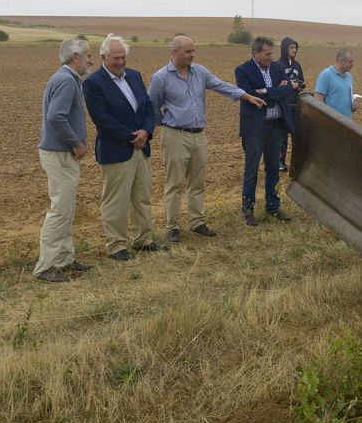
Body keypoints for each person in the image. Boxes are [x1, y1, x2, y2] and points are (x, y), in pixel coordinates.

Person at [148, 35, 265, 242]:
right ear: (174, 52)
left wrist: (245, 96)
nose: (193, 54)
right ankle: (173, 226)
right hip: (175, 135)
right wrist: (165, 126)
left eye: (194, 50)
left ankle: (197, 222)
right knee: (174, 183)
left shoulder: (200, 72)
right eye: (188, 51)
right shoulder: (160, 77)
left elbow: (221, 85)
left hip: (199, 135)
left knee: (197, 182)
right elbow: (152, 106)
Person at [83, 34, 168, 261]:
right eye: (115, 58)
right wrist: (132, 137)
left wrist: (146, 131)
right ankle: (116, 246)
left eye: (123, 57)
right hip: (116, 151)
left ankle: (143, 240)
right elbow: (102, 118)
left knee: (142, 197)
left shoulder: (134, 75)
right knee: (116, 201)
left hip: (141, 148)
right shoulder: (93, 83)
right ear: (103, 57)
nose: (120, 62)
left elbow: (148, 106)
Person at [34, 37, 93, 282]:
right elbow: (56, 117)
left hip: (60, 152)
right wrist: (76, 143)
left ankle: (64, 259)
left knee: (67, 207)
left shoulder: (68, 78)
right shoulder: (66, 80)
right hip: (60, 153)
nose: (91, 60)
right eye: (88, 55)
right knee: (60, 209)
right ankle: (45, 267)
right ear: (75, 56)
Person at [235, 36, 295, 226]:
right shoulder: (243, 70)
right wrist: (276, 91)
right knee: (251, 170)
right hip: (254, 129)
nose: (271, 57)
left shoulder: (277, 68)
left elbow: (288, 90)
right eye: (267, 54)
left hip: (275, 127)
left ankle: (273, 206)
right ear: (256, 53)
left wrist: (266, 91)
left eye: (272, 53)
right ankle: (248, 210)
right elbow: (250, 95)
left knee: (273, 169)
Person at [276, 36, 304, 171]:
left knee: (296, 134)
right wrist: (289, 85)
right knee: (282, 135)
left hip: (295, 103)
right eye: (291, 47)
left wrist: (299, 86)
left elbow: (302, 81)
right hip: (283, 103)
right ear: (284, 48)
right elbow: (276, 85)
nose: (294, 50)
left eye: (295, 48)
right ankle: (279, 161)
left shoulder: (297, 65)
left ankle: (296, 162)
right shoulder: (277, 65)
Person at [314, 48, 358, 118]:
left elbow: (348, 96)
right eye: (350, 62)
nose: (353, 64)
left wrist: (353, 104)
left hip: (347, 122)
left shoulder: (349, 76)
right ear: (341, 61)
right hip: (331, 122)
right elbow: (318, 101)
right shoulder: (326, 75)